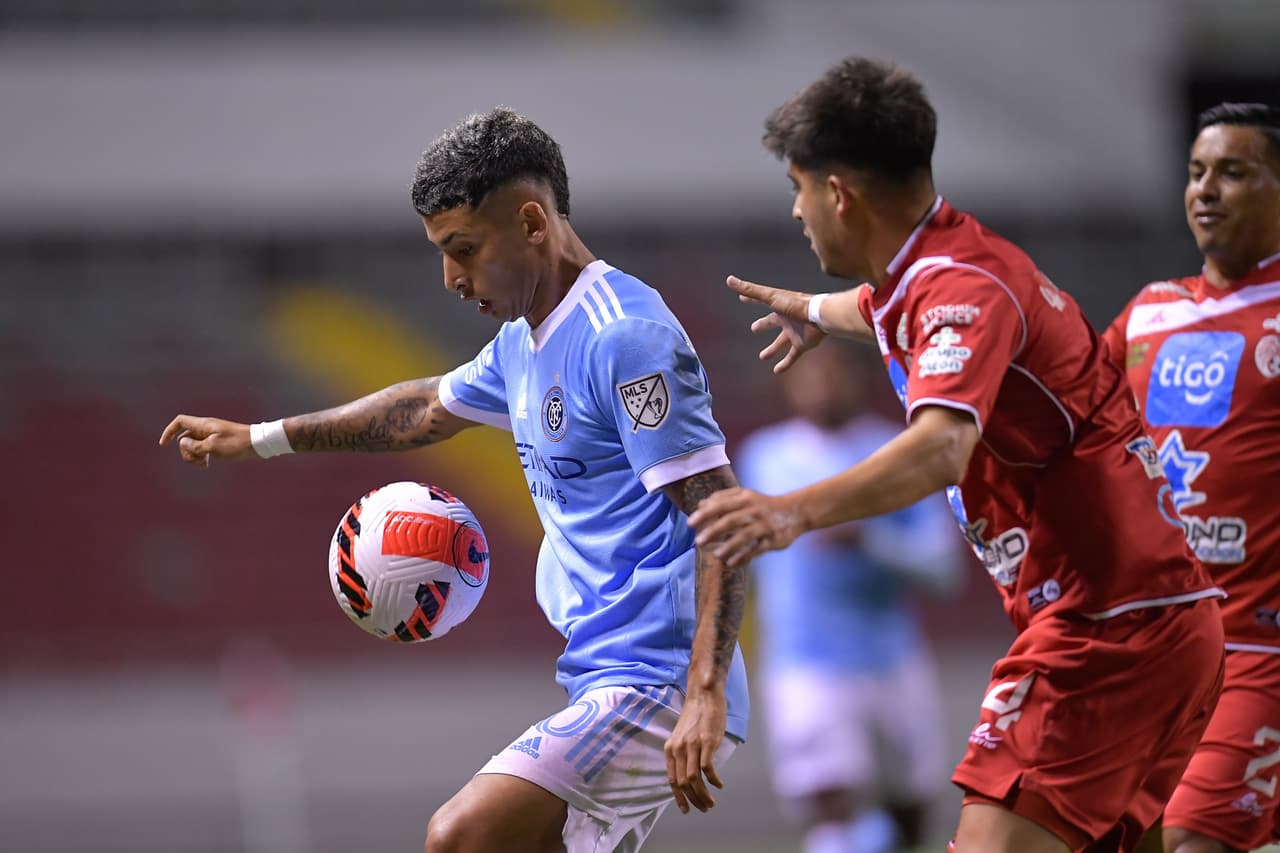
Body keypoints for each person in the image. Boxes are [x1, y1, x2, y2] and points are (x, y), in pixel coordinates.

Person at [158, 107, 750, 853]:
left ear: (532, 222)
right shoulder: (523, 343)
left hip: (657, 682)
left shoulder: (623, 335)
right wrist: (263, 438)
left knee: (459, 836)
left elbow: (720, 509)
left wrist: (704, 691)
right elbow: (421, 410)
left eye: (463, 248)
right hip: (600, 673)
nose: (450, 277)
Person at [685, 56, 1226, 853]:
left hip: (1106, 630)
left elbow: (941, 446)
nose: (797, 213)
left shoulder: (963, 293)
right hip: (1156, 621)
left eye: (799, 190)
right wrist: (806, 308)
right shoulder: (938, 268)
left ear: (838, 193)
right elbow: (875, 307)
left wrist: (788, 510)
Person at [1100, 102, 1280, 853]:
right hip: (1153, 658)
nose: (1206, 189)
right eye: (1197, 172)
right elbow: (1074, 421)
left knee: (1195, 838)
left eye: (1233, 172)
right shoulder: (1148, 314)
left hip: (1258, 652)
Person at [735, 339, 961, 853]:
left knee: (908, 815)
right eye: (809, 374)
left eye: (834, 371)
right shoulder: (764, 458)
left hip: (890, 659)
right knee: (828, 805)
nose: (822, 384)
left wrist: (870, 541)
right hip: (804, 664)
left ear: (859, 378)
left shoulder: (897, 451)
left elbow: (943, 570)